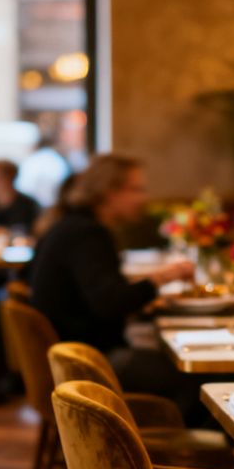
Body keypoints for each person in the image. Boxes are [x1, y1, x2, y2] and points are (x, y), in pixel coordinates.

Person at [29, 154, 198, 417]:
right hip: (89, 362)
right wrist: (163, 276)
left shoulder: (72, 225)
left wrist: (143, 296)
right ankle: (170, 452)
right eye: (136, 189)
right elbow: (110, 303)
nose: (143, 197)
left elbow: (99, 295)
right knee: (198, 380)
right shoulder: (87, 234)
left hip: (74, 355)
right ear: (108, 192)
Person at [17, 135, 71, 207]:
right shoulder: (58, 161)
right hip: (52, 205)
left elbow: (23, 186)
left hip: (37, 205)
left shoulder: (33, 160)